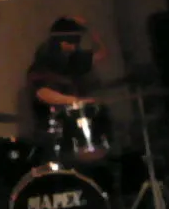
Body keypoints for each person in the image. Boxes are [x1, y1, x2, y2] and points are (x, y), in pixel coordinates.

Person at [26, 16, 110, 161]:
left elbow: (102, 53)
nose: (74, 46)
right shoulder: (44, 63)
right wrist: (75, 101)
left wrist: (89, 28)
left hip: (74, 130)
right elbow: (42, 93)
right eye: (71, 41)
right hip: (54, 133)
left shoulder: (74, 60)